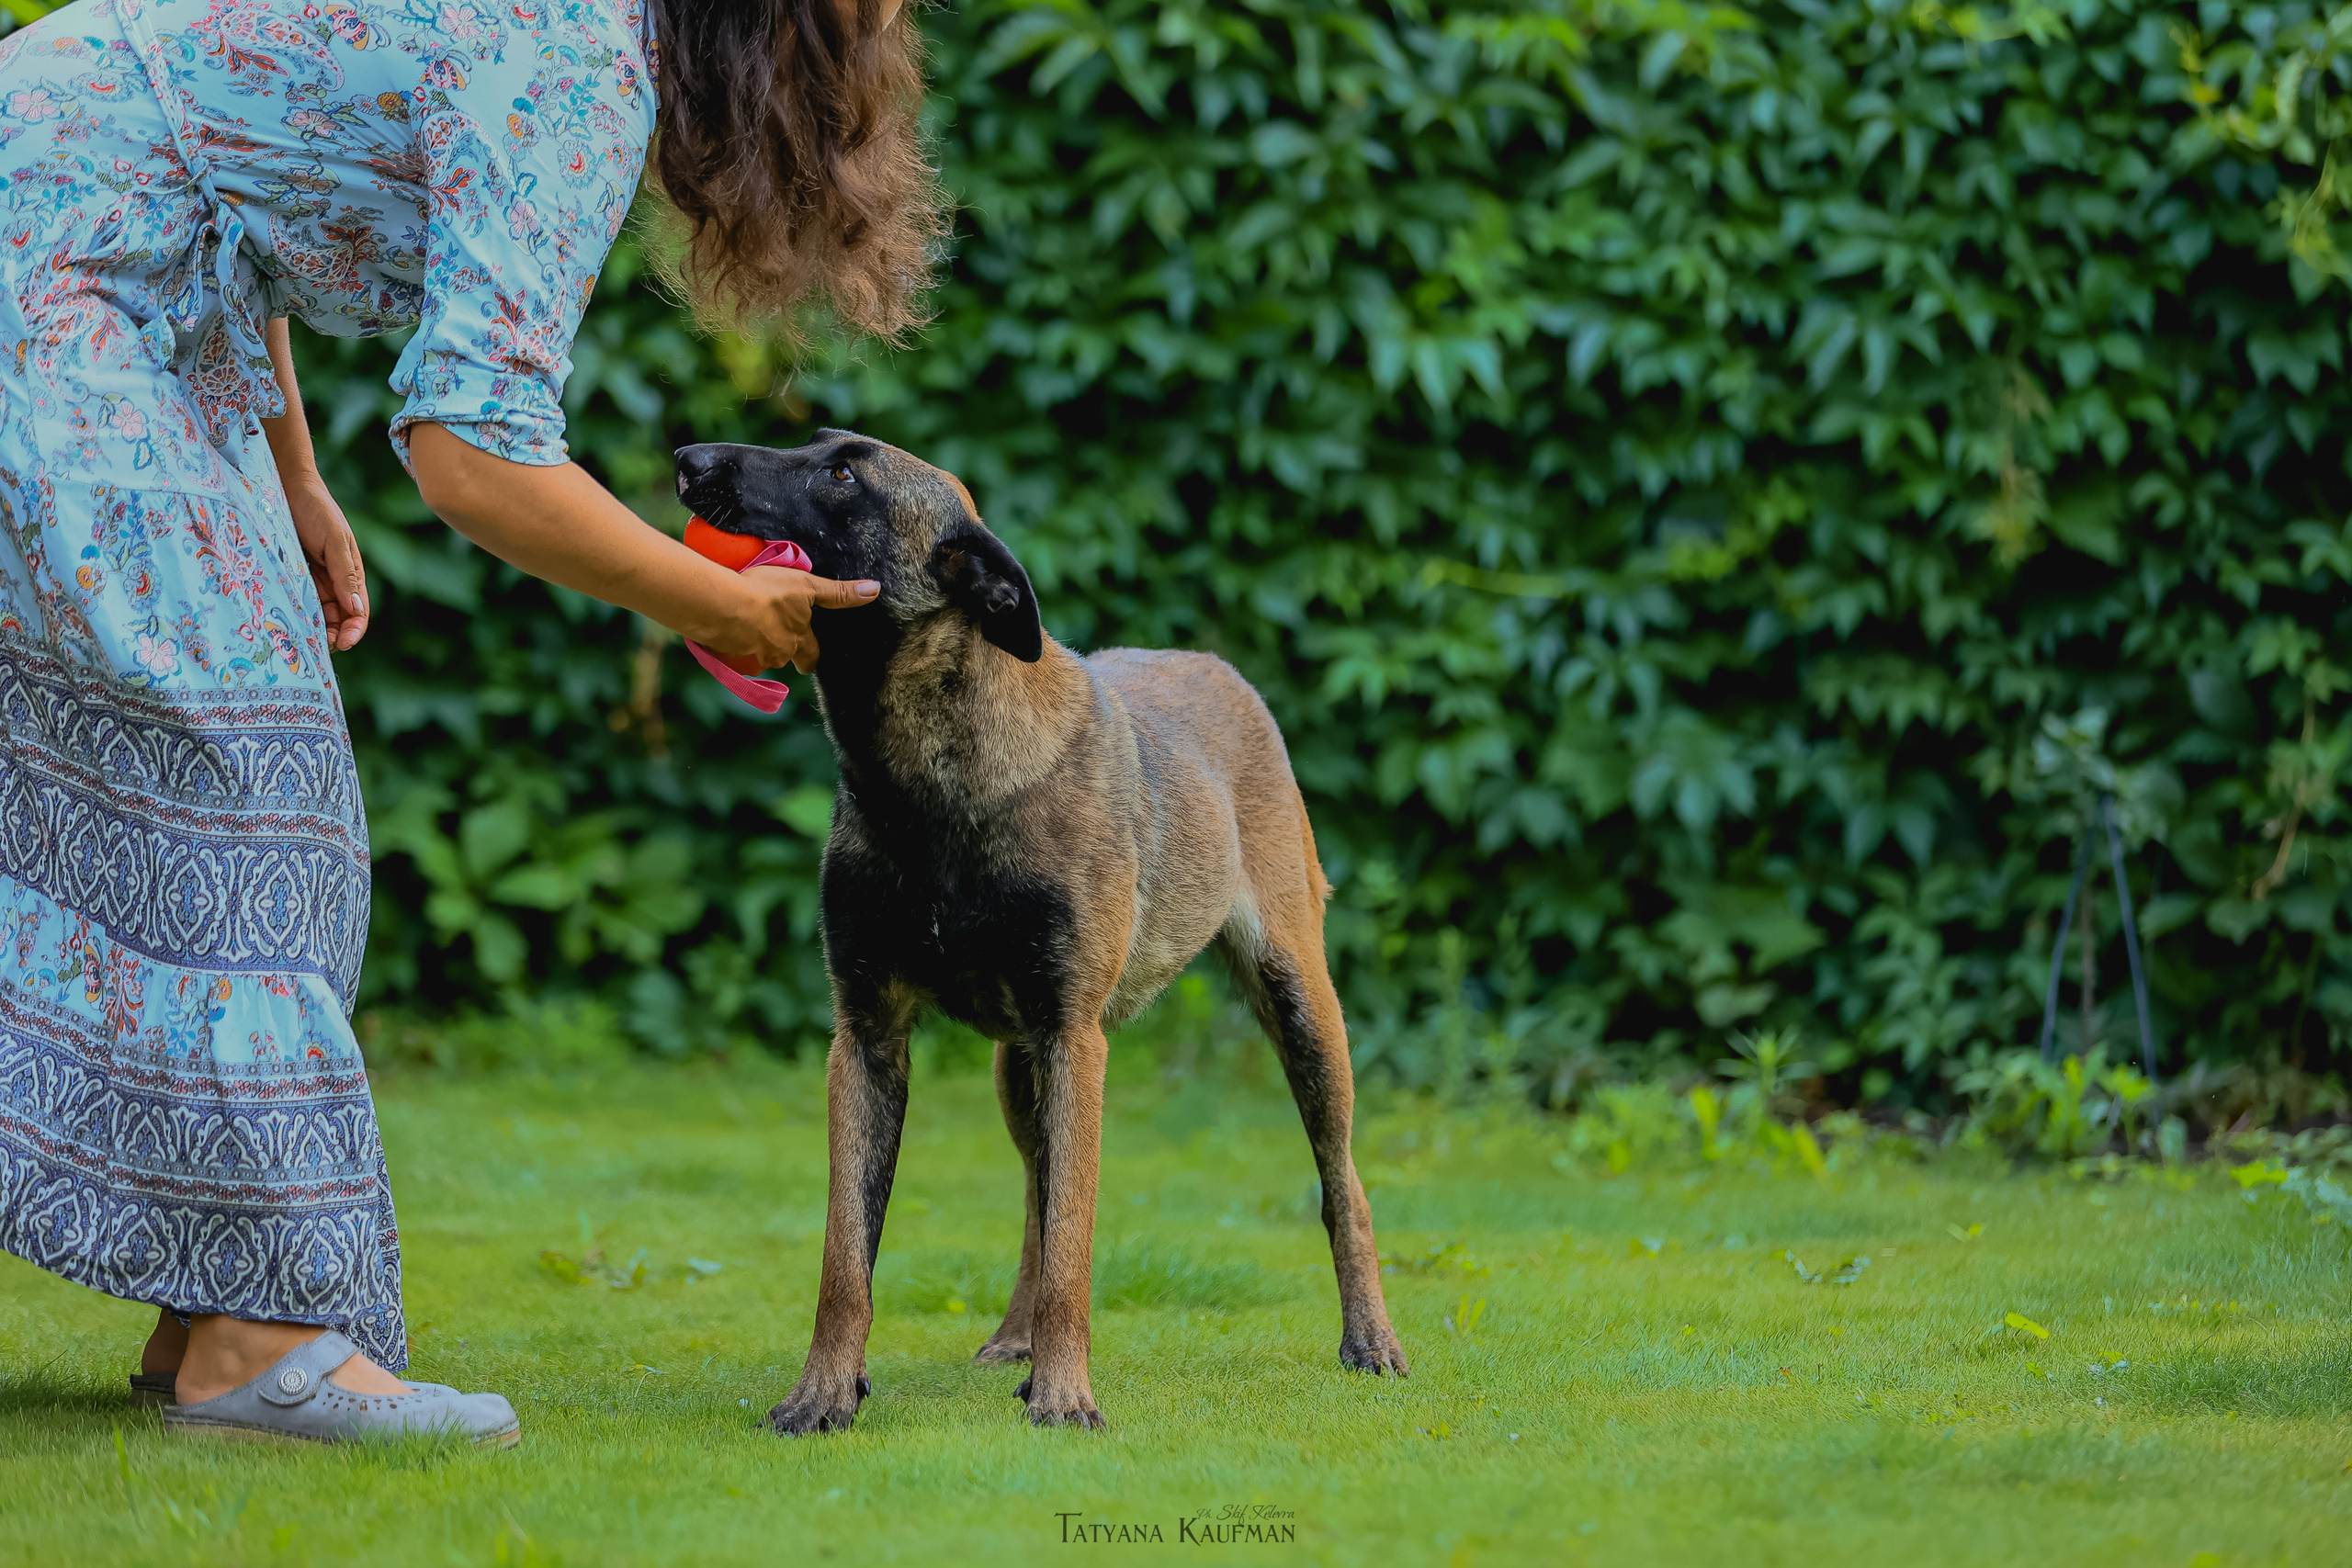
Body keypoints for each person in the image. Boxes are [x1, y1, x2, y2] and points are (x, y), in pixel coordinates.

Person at [0, 0, 937, 1444]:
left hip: (109, 256)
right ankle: (258, 1340)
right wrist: (705, 597)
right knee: (243, 784)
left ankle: (213, 1298)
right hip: (49, 261)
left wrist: (293, 472)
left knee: (246, 795)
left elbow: (216, 167)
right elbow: (473, 452)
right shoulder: (571, 65)